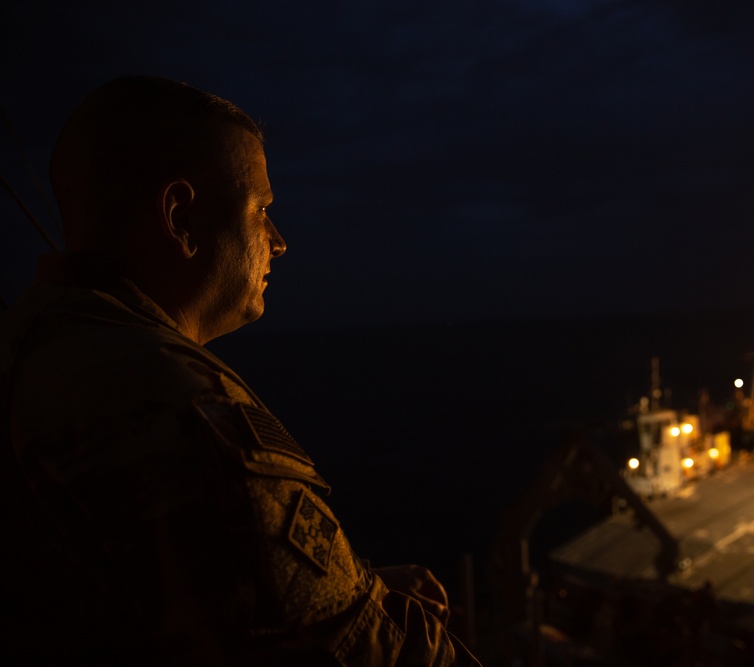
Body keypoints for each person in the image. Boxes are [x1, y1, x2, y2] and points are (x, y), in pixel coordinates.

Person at [0, 76, 480, 665]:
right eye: (261, 212)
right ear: (180, 218)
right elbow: (358, 652)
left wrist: (364, 587)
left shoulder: (34, 345)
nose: (278, 242)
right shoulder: (185, 414)